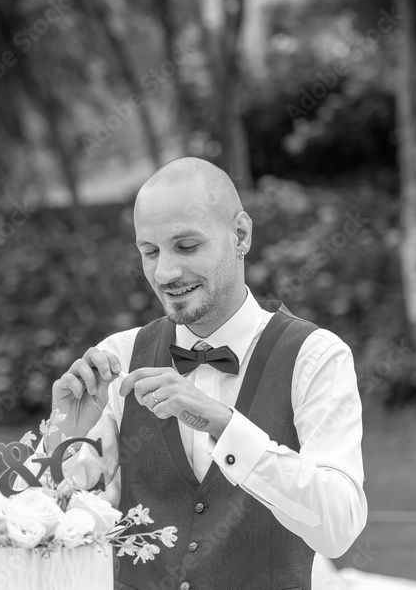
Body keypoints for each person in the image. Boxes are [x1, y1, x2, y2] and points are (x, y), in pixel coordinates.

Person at [43, 158, 368, 589]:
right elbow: (41, 527)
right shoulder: (117, 357)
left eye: (186, 246)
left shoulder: (315, 357)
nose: (165, 273)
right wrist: (64, 434)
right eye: (150, 252)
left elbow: (339, 529)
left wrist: (224, 424)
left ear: (240, 235)